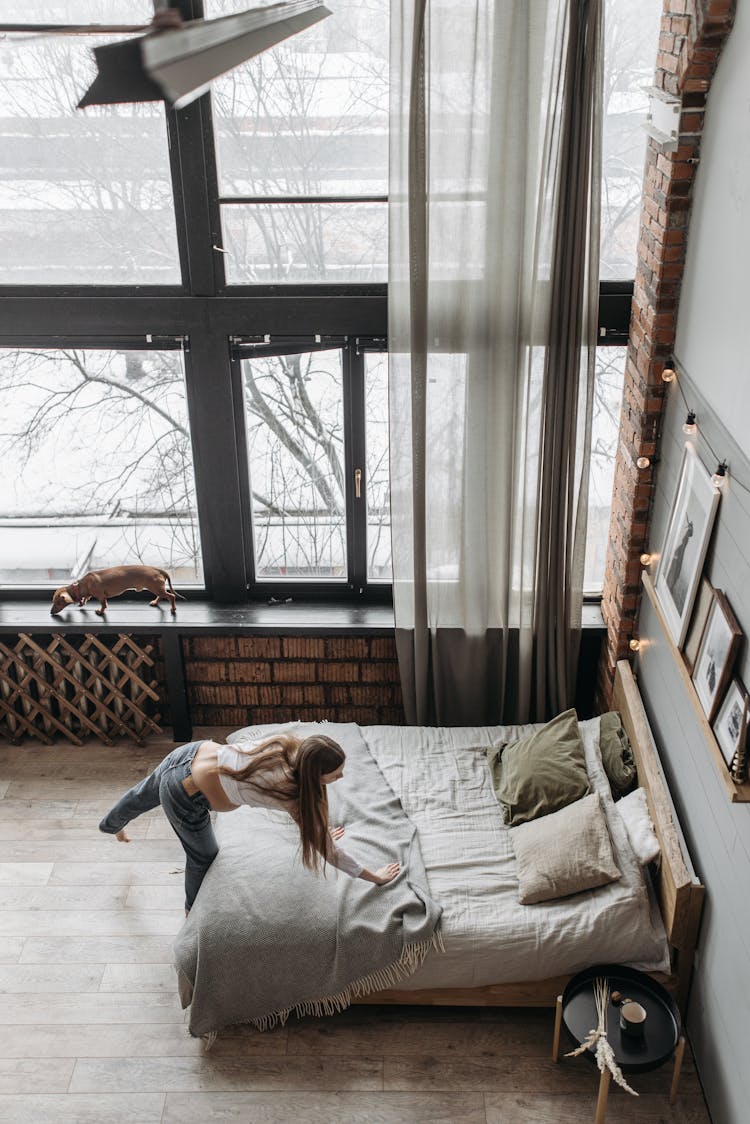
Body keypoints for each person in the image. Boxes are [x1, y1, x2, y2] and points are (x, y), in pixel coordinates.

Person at [99, 734, 400, 913]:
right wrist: (375, 877)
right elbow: (327, 851)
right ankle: (191, 911)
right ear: (313, 776)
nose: (341, 779)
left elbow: (316, 832)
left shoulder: (287, 745)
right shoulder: (291, 794)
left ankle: (110, 824)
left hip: (188, 753)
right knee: (203, 856)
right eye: (335, 775)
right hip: (185, 794)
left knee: (143, 793)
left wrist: (315, 831)